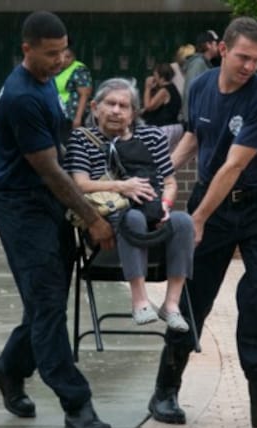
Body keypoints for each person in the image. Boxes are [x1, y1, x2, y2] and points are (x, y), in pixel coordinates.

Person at [148, 16, 257, 428]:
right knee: (192, 295)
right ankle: (166, 390)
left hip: (255, 204)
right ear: (223, 51)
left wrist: (197, 219)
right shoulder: (200, 87)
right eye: (242, 57)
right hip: (209, 199)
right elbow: (194, 138)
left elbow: (234, 166)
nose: (250, 66)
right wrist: (160, 173)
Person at [0, 10, 115, 428]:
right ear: (27, 50)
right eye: (51, 54)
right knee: (46, 305)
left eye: (63, 51)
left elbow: (62, 148)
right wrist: (94, 219)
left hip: (46, 204)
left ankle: (9, 368)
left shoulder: (45, 83)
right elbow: (50, 171)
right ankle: (77, 404)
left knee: (47, 302)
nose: (61, 60)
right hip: (22, 208)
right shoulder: (22, 96)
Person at [64, 77, 195, 333]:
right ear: (94, 107)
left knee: (183, 222)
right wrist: (122, 187)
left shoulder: (152, 136)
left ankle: (171, 304)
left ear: (133, 113)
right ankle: (140, 300)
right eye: (110, 104)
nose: (116, 110)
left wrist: (166, 205)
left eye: (123, 106)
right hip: (106, 230)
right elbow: (78, 184)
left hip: (152, 223)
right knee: (131, 218)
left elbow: (169, 182)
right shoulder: (81, 139)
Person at [180, 29, 220, 126]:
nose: (218, 46)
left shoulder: (205, 64)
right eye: (216, 43)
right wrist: (191, 117)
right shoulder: (198, 63)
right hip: (195, 119)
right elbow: (190, 90)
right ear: (208, 45)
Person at [141, 63, 183, 151]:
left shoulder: (164, 91)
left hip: (165, 127)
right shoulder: (172, 88)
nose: (154, 78)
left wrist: (147, 88)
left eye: (155, 75)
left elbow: (149, 106)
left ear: (162, 77)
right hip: (174, 126)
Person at [55, 44, 92, 130]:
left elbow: (85, 95)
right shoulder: (57, 69)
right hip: (60, 114)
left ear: (74, 57)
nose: (64, 60)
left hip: (72, 115)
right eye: (62, 56)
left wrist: (78, 118)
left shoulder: (78, 69)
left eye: (68, 57)